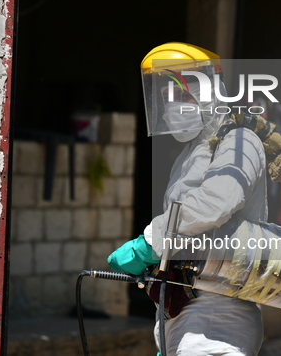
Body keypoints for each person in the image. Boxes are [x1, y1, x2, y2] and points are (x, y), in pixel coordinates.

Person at [108, 42, 268, 355]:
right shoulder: (193, 151)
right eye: (166, 97)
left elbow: (217, 202)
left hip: (218, 318)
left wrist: (149, 242)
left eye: (182, 94)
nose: (172, 106)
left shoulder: (239, 139)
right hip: (189, 315)